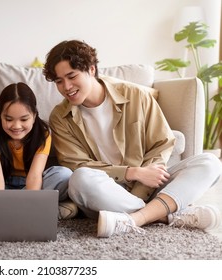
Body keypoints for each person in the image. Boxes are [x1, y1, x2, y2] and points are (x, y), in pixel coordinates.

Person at [43, 39, 222, 237]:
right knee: (79, 179)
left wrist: (143, 182)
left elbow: (162, 143)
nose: (66, 86)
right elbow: (76, 165)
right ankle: (166, 214)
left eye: (71, 76)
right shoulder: (60, 117)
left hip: (148, 185)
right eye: (59, 81)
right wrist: (132, 172)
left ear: (91, 69)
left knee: (210, 162)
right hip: (106, 192)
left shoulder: (136, 95)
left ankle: (136, 219)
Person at [0, 82, 76, 219]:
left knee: (64, 174)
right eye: (8, 119)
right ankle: (47, 210)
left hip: (33, 184)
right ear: (0, 116)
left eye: (24, 119)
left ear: (34, 115)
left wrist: (30, 202)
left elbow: (34, 176)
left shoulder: (43, 134)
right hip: (3, 185)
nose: (16, 126)